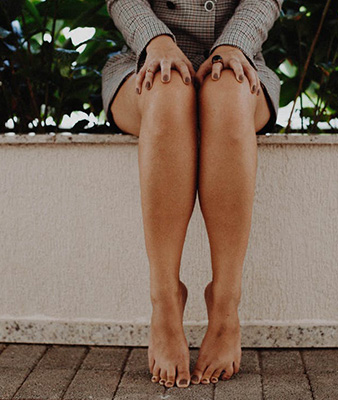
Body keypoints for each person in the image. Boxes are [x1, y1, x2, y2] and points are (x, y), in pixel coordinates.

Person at [102, 0, 283, 389]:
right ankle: (165, 300)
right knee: (167, 85)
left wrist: (235, 44)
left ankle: (225, 303)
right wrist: (156, 40)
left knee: (230, 91)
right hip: (143, 62)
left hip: (241, 61)